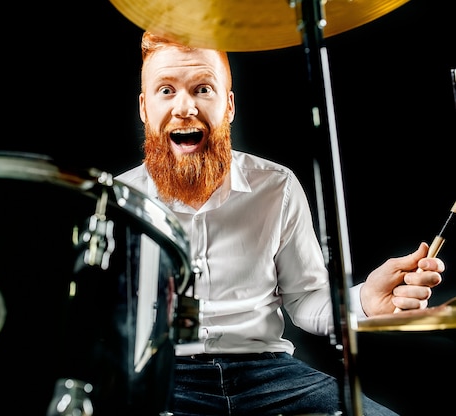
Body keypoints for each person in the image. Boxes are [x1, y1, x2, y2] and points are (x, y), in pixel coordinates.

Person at [115, 31, 445, 416]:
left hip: (270, 377)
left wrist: (365, 302)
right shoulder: (120, 201)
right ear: (144, 108)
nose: (185, 107)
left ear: (229, 105)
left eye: (203, 88)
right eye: (166, 91)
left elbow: (307, 301)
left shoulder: (277, 186)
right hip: (162, 376)